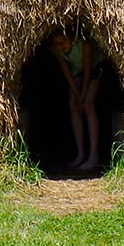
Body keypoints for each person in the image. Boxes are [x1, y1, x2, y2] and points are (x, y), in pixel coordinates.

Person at [50, 29, 103, 172]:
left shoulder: (84, 45)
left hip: (94, 68)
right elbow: (66, 71)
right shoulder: (57, 49)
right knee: (73, 106)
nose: (61, 45)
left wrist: (83, 94)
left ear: (71, 37)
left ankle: (93, 155)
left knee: (88, 104)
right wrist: (76, 93)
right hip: (77, 72)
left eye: (64, 41)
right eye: (58, 43)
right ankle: (80, 153)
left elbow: (87, 71)